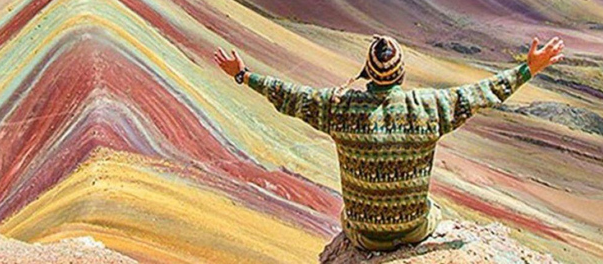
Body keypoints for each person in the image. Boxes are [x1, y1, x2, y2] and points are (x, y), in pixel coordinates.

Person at [213, 34, 564, 252]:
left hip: (363, 235)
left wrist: (243, 75)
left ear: (367, 73)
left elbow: (289, 95)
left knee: (344, 215)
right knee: (436, 211)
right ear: (401, 74)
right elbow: (481, 94)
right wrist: (527, 69)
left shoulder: (339, 108)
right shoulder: (430, 108)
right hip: (414, 229)